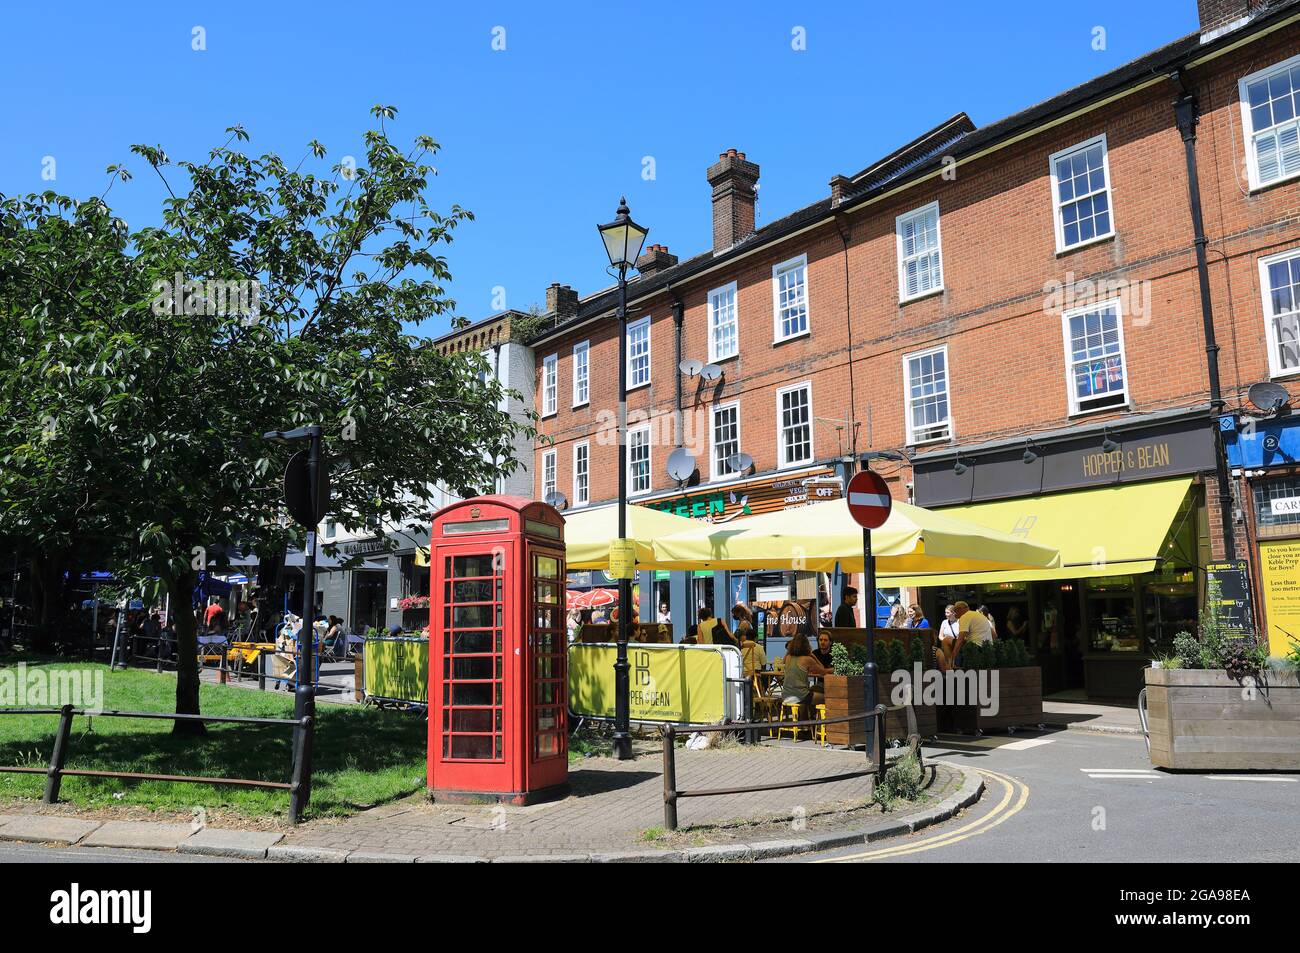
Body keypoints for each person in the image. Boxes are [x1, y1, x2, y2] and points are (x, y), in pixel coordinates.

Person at [937, 601, 993, 671]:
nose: (954, 613)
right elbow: (994, 635)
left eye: (955, 610)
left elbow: (961, 638)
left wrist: (953, 655)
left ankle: (950, 667)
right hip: (988, 648)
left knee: (946, 640)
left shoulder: (964, 616)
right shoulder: (980, 616)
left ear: (960, 609)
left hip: (976, 648)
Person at [781, 632, 827, 712]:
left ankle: (806, 721)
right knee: (827, 698)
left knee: (811, 693)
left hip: (785, 695)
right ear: (806, 645)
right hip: (800, 695)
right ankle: (816, 721)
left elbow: (783, 663)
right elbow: (823, 670)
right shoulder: (807, 659)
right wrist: (813, 656)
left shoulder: (788, 657)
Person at [934, 604, 959, 670]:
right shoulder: (944, 622)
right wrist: (945, 640)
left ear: (953, 613)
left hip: (956, 645)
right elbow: (940, 636)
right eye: (945, 612)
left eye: (948, 612)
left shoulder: (959, 622)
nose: (946, 614)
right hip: (946, 646)